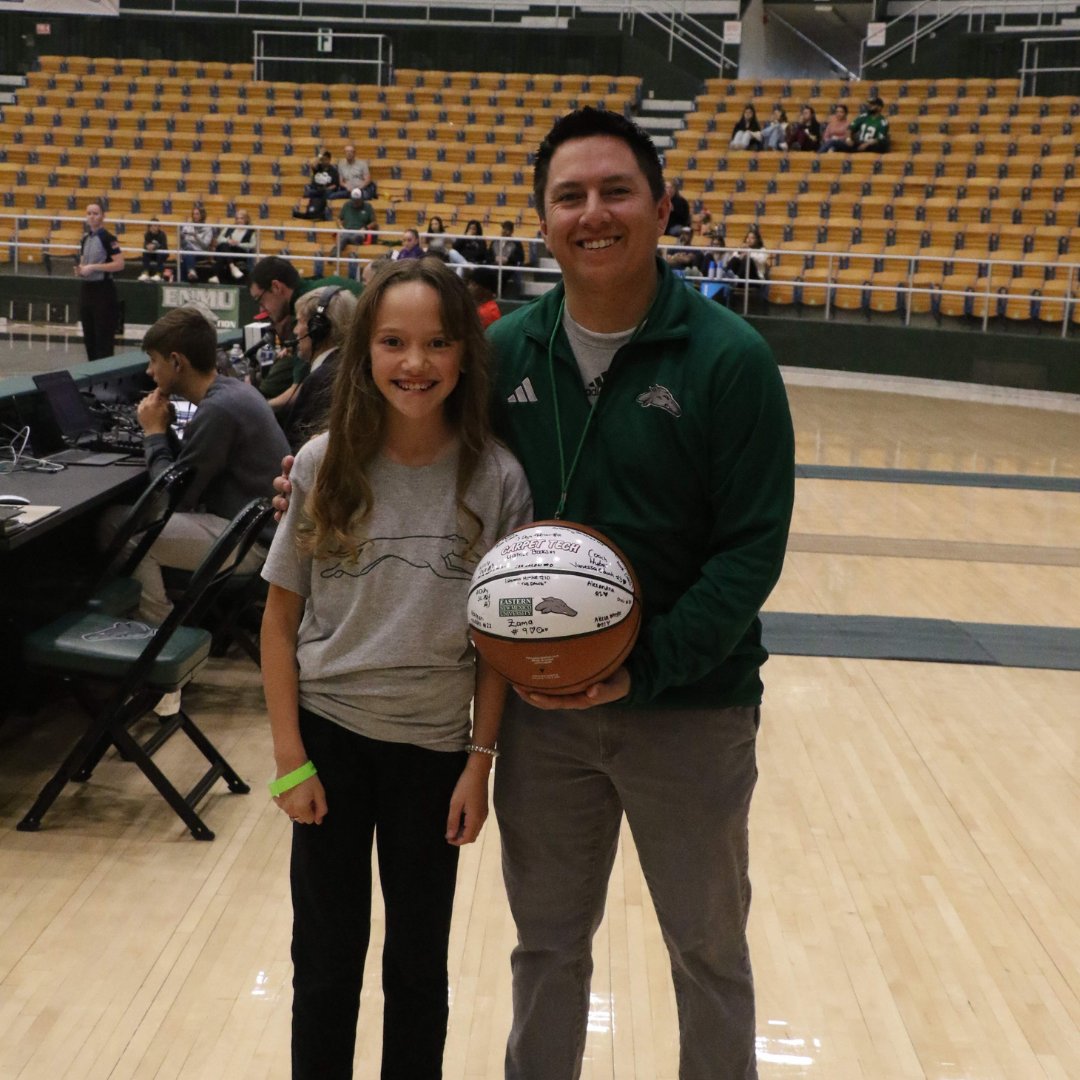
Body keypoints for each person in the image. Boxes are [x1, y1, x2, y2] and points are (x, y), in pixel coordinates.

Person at [273, 106, 795, 1080]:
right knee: (548, 951)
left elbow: (751, 551)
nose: (592, 213)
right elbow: (406, 441)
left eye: (615, 191)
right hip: (539, 721)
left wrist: (644, 665)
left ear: (661, 205)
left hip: (692, 708)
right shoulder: (502, 353)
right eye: (569, 197)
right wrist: (313, 474)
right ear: (542, 220)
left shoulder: (732, 361)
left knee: (708, 953)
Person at [261, 257, 532, 1080]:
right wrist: (287, 761)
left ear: (463, 356)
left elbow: (496, 645)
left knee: (419, 969)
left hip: (432, 754)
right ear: (364, 354)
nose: (415, 363)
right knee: (326, 965)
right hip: (329, 744)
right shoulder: (322, 464)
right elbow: (278, 621)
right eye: (392, 342)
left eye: (436, 343)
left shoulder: (496, 478)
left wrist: (478, 764)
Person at [116, 306, 290, 627]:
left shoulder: (219, 410)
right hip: (263, 534)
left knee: (123, 530)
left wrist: (153, 434)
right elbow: (193, 469)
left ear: (177, 362)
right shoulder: (234, 392)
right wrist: (164, 428)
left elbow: (173, 500)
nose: (150, 372)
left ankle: (156, 637)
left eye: (154, 360)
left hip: (253, 548)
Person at [249, 256, 361, 405]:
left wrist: (260, 409)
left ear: (276, 287)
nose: (261, 309)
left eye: (260, 299)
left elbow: (298, 391)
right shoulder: (319, 290)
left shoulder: (308, 310)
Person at [279, 284, 358, 452]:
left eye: (299, 322)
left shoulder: (322, 379)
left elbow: (297, 450)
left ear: (317, 329)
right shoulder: (347, 368)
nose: (295, 330)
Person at [76, 200, 124, 361]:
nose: (92, 217)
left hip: (103, 291)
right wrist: (81, 270)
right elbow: (84, 262)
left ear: (103, 216)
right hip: (87, 290)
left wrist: (95, 267)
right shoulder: (85, 239)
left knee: (103, 338)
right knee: (89, 336)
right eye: (89, 213)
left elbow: (119, 264)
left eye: (95, 213)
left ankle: (106, 378)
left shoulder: (107, 238)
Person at [210, 209, 256, 282]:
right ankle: (232, 267)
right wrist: (228, 241)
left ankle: (216, 276)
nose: (239, 220)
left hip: (239, 252)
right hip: (227, 250)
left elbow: (253, 245)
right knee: (224, 246)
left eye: (241, 218)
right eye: (237, 218)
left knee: (222, 253)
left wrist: (238, 244)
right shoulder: (229, 228)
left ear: (246, 219)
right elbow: (219, 239)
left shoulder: (250, 231)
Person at [294, 150, 341, 220]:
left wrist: (327, 188)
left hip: (326, 190)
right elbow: (312, 164)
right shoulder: (318, 167)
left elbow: (335, 185)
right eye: (322, 159)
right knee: (308, 193)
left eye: (325, 159)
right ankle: (307, 212)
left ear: (329, 160)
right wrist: (319, 156)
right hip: (316, 189)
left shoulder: (333, 171)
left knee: (326, 195)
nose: (323, 161)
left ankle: (320, 213)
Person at [337, 189, 378, 257]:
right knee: (344, 238)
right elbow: (338, 219)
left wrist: (365, 228)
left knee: (352, 238)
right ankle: (333, 257)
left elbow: (374, 222)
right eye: (354, 201)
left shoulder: (368, 207)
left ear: (361, 199)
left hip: (359, 232)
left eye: (357, 201)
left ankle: (337, 256)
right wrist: (341, 227)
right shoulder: (347, 205)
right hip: (347, 231)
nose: (355, 203)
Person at [180, 204, 215, 283]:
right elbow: (183, 242)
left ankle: (183, 281)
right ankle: (191, 272)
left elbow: (205, 245)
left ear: (202, 215)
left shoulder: (208, 228)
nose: (195, 216)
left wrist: (196, 237)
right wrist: (181, 237)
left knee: (185, 257)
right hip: (187, 250)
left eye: (197, 214)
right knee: (187, 252)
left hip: (200, 252)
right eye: (193, 214)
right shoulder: (187, 226)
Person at [492, 219, 526, 297]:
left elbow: (521, 257)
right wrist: (495, 258)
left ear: (511, 231)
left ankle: (499, 294)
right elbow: (489, 254)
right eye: (503, 228)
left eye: (507, 229)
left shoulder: (516, 243)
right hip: (495, 264)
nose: (504, 231)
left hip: (510, 266)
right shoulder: (495, 241)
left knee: (503, 274)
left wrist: (508, 260)